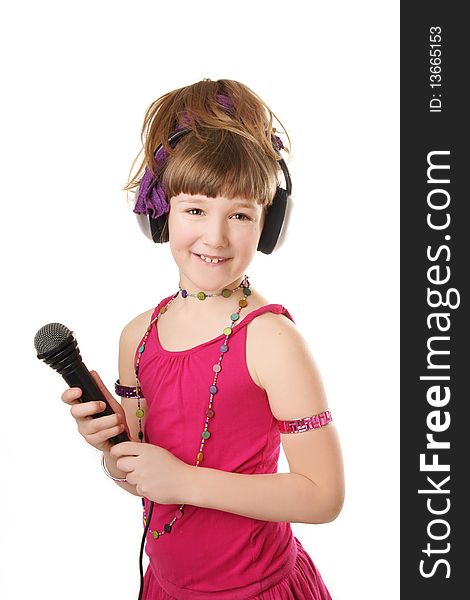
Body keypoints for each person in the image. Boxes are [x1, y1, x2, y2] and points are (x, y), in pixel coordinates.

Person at [61, 78, 344, 599]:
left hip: (255, 589)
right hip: (167, 588)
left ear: (269, 222)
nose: (215, 237)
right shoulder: (137, 338)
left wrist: (186, 482)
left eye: (240, 215)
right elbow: (145, 482)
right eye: (195, 210)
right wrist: (113, 451)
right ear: (161, 214)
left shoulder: (271, 340)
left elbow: (323, 496)